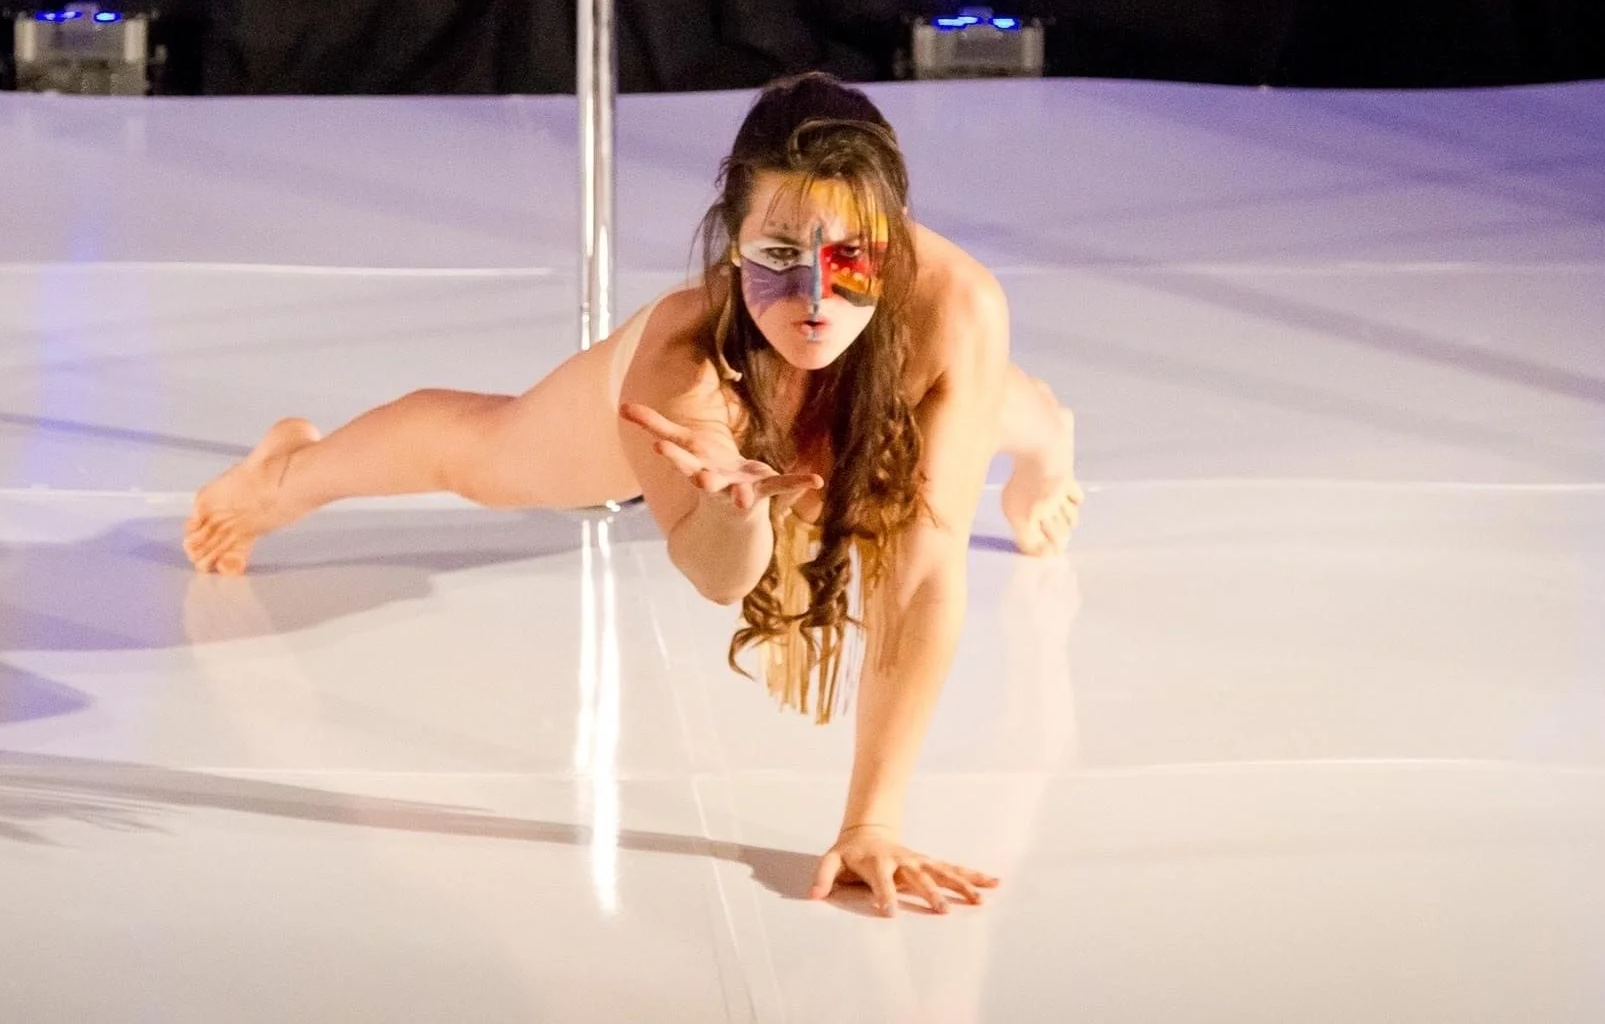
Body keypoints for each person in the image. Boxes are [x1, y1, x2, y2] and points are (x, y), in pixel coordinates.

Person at [183, 72, 1082, 917]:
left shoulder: (955, 304)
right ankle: (288, 471)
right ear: (734, 244)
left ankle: (1051, 443)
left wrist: (871, 821)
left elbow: (921, 576)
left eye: (850, 257)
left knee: (972, 397)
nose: (814, 296)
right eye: (779, 255)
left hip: (913, 353)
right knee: (489, 455)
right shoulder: (685, 357)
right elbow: (720, 578)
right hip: (733, 412)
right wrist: (737, 511)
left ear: (893, 243)